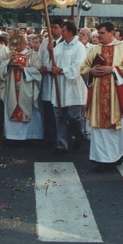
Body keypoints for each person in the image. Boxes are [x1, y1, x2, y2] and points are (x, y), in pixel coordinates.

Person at [80, 22, 123, 172]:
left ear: (111, 32)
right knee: (100, 129)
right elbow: (83, 68)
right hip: (98, 96)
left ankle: (117, 155)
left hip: (118, 97)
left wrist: (112, 70)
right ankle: (103, 160)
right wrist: (91, 71)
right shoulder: (94, 50)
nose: (98, 36)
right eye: (98, 33)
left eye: (101, 33)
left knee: (118, 129)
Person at [49, 20, 87, 154]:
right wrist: (50, 54)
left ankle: (78, 135)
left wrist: (62, 70)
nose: (61, 32)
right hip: (60, 85)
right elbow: (52, 62)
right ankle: (61, 145)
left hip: (73, 86)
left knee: (74, 117)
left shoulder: (79, 47)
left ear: (70, 32)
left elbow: (79, 66)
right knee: (60, 117)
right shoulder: (59, 46)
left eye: (63, 30)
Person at [0, 31, 43, 142]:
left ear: (24, 43)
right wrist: (9, 63)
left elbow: (37, 71)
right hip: (12, 87)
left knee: (27, 108)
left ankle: (29, 137)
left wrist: (24, 70)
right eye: (14, 43)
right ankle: (12, 136)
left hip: (26, 87)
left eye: (19, 43)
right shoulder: (9, 55)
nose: (17, 46)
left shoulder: (32, 55)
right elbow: (1, 68)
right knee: (12, 105)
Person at [38, 19, 63, 148]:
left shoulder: (64, 44)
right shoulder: (44, 42)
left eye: (55, 27)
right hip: (47, 82)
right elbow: (39, 59)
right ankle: (49, 137)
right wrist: (41, 67)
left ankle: (60, 138)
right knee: (47, 111)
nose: (53, 30)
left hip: (59, 82)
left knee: (58, 113)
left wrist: (49, 68)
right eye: (51, 27)